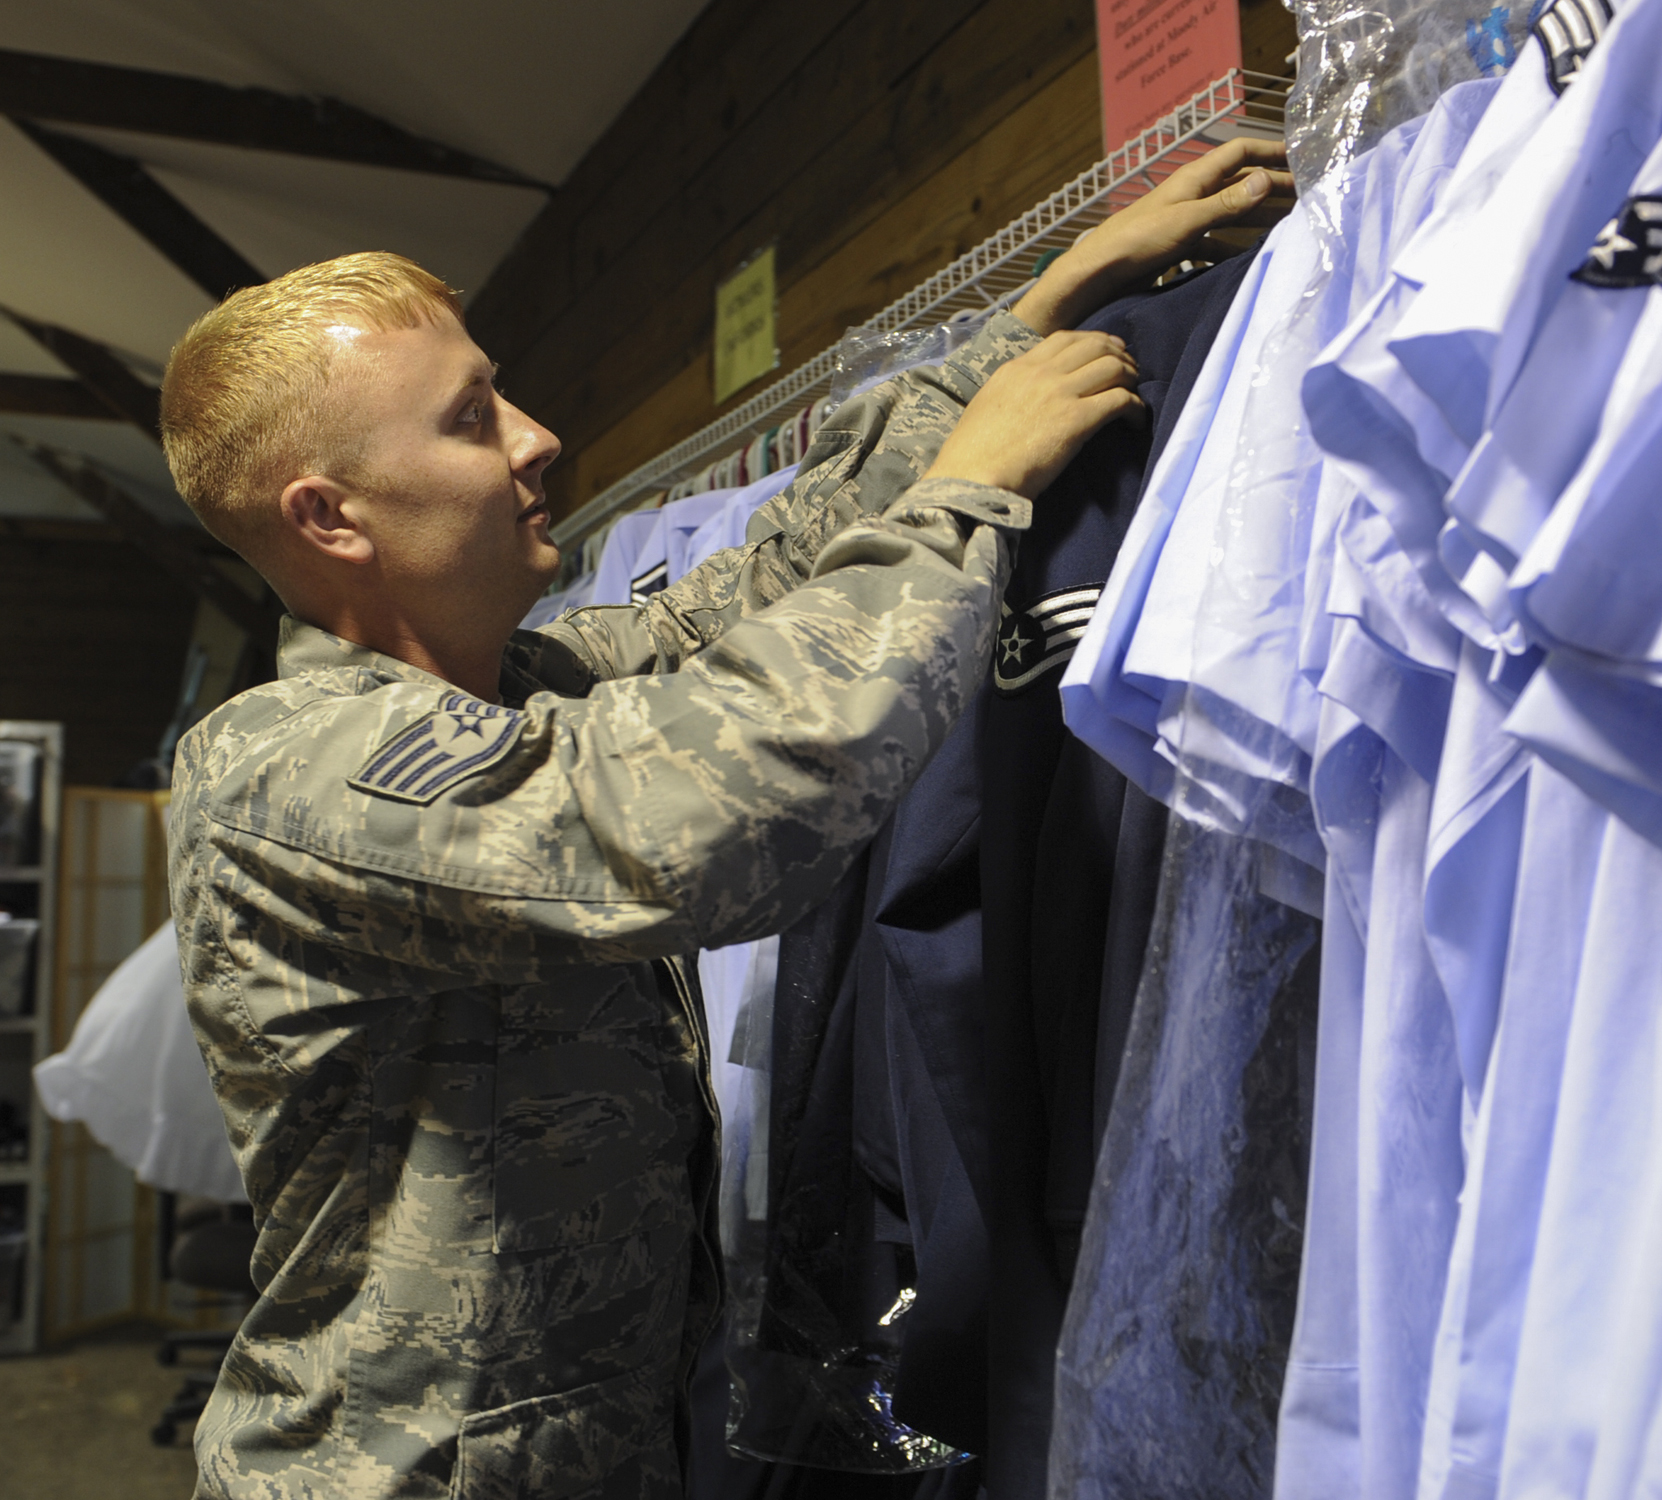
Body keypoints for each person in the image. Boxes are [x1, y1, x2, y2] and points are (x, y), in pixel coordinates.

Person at [157, 139, 1289, 1499]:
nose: (537, 438)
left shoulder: (526, 688)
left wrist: (1036, 309)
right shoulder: (288, 770)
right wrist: (965, 503)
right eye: (471, 420)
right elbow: (717, 812)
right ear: (331, 519)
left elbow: (757, 584)